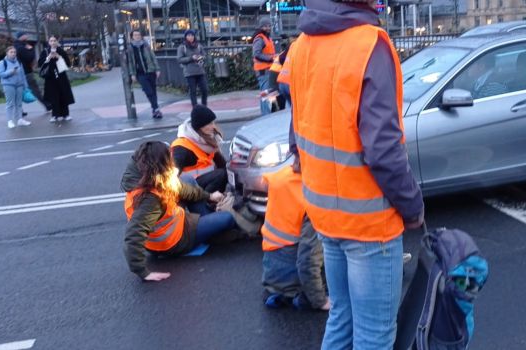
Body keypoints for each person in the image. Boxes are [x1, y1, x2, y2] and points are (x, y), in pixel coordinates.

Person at [286, 0, 425, 347]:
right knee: (375, 335)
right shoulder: (370, 44)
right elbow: (383, 149)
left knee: (342, 319)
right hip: (368, 223)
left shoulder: (303, 44)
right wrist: (413, 208)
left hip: (324, 213)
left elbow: (296, 130)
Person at [122, 141, 260, 281]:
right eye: (169, 156)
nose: (172, 159)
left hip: (169, 226)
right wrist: (143, 272)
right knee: (227, 218)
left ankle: (206, 224)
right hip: (172, 242)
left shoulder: (149, 176)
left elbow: (182, 188)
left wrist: (209, 196)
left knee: (186, 179)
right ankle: (211, 232)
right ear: (161, 162)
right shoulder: (150, 200)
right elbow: (134, 235)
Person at [260, 166, 330, 311]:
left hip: (272, 269)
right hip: (291, 275)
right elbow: (308, 259)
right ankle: (303, 297)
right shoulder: (316, 194)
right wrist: (320, 301)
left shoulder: (285, 175)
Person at [171, 106, 229, 194]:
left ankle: (215, 200)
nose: (213, 127)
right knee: (221, 174)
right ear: (199, 127)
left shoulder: (209, 142)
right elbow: (172, 176)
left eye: (213, 122)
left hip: (202, 184)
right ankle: (207, 202)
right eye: (209, 124)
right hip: (189, 189)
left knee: (227, 172)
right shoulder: (181, 147)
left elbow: (223, 165)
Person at [38, 36, 75, 122]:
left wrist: (59, 57)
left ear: (57, 42)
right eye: (51, 41)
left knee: (63, 95)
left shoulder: (61, 50)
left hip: (61, 76)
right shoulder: (45, 51)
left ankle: (66, 114)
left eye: (54, 40)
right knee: (53, 96)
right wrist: (48, 57)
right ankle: (55, 115)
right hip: (50, 77)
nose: (53, 42)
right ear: (48, 42)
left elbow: (68, 63)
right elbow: (40, 63)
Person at [127, 30, 163, 119]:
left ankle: (155, 110)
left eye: (139, 34)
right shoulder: (130, 48)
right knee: (148, 91)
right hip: (140, 73)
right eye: (135, 35)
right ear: (132, 37)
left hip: (151, 71)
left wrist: (157, 69)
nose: (137, 36)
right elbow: (130, 62)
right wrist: (132, 74)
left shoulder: (146, 45)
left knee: (153, 91)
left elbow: (152, 57)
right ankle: (156, 109)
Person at [0, 47, 32, 129]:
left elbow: (23, 75)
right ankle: (10, 121)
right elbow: (0, 74)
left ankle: (20, 120)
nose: (13, 54)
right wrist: (10, 72)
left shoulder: (19, 62)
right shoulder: (2, 63)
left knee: (19, 103)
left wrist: (25, 86)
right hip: (8, 85)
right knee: (10, 104)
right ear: (7, 53)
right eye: (11, 52)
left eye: (14, 52)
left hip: (19, 85)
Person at [13, 32, 49, 112]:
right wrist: (31, 49)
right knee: (35, 89)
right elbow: (29, 58)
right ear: (21, 37)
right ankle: (47, 105)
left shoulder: (14, 46)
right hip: (26, 72)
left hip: (17, 73)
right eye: (25, 35)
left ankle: (19, 111)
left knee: (18, 92)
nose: (27, 36)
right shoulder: (22, 47)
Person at [177, 30, 208, 106]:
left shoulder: (199, 45)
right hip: (189, 72)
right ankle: (195, 108)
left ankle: (204, 106)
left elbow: (204, 55)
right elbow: (179, 59)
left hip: (200, 71)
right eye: (188, 36)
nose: (190, 37)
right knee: (193, 91)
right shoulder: (182, 47)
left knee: (205, 90)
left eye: (192, 35)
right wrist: (191, 58)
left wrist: (201, 57)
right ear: (185, 37)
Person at [252, 18, 276, 116]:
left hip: (267, 70)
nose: (268, 28)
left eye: (269, 26)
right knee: (265, 95)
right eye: (266, 26)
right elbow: (256, 54)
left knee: (268, 94)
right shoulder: (260, 38)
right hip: (263, 71)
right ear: (261, 27)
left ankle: (268, 114)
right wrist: (271, 58)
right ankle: (266, 116)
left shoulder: (266, 38)